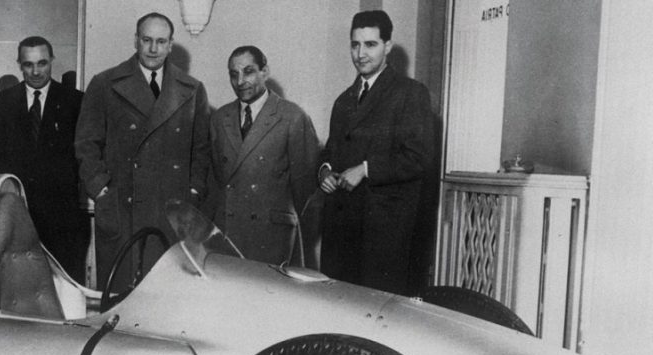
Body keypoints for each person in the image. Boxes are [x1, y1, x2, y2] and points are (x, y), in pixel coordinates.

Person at [75, 12, 211, 289]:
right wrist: (100, 189)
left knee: (166, 295)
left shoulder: (192, 90)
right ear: (135, 40)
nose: (153, 49)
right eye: (147, 40)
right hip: (122, 207)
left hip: (171, 210)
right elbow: (85, 144)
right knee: (122, 294)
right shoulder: (105, 83)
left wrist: (193, 191)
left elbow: (202, 150)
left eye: (161, 42)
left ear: (170, 45)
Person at [318, 10, 434, 294]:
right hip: (341, 233)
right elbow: (331, 152)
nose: (361, 54)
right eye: (355, 45)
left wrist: (366, 169)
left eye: (370, 44)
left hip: (382, 237)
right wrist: (324, 171)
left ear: (388, 46)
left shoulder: (410, 93)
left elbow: (419, 157)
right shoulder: (343, 100)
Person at [208, 46, 320, 267]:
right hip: (229, 235)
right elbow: (217, 179)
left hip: (272, 238)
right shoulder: (220, 118)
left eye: (248, 71)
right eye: (234, 74)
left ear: (265, 72)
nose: (240, 81)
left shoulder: (292, 116)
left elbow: (305, 186)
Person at [0, 37, 88, 282]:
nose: (35, 71)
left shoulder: (75, 100)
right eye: (28, 64)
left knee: (66, 286)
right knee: (20, 284)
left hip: (62, 217)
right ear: (19, 64)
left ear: (52, 61)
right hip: (18, 214)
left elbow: (84, 156)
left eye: (42, 63)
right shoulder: (2, 102)